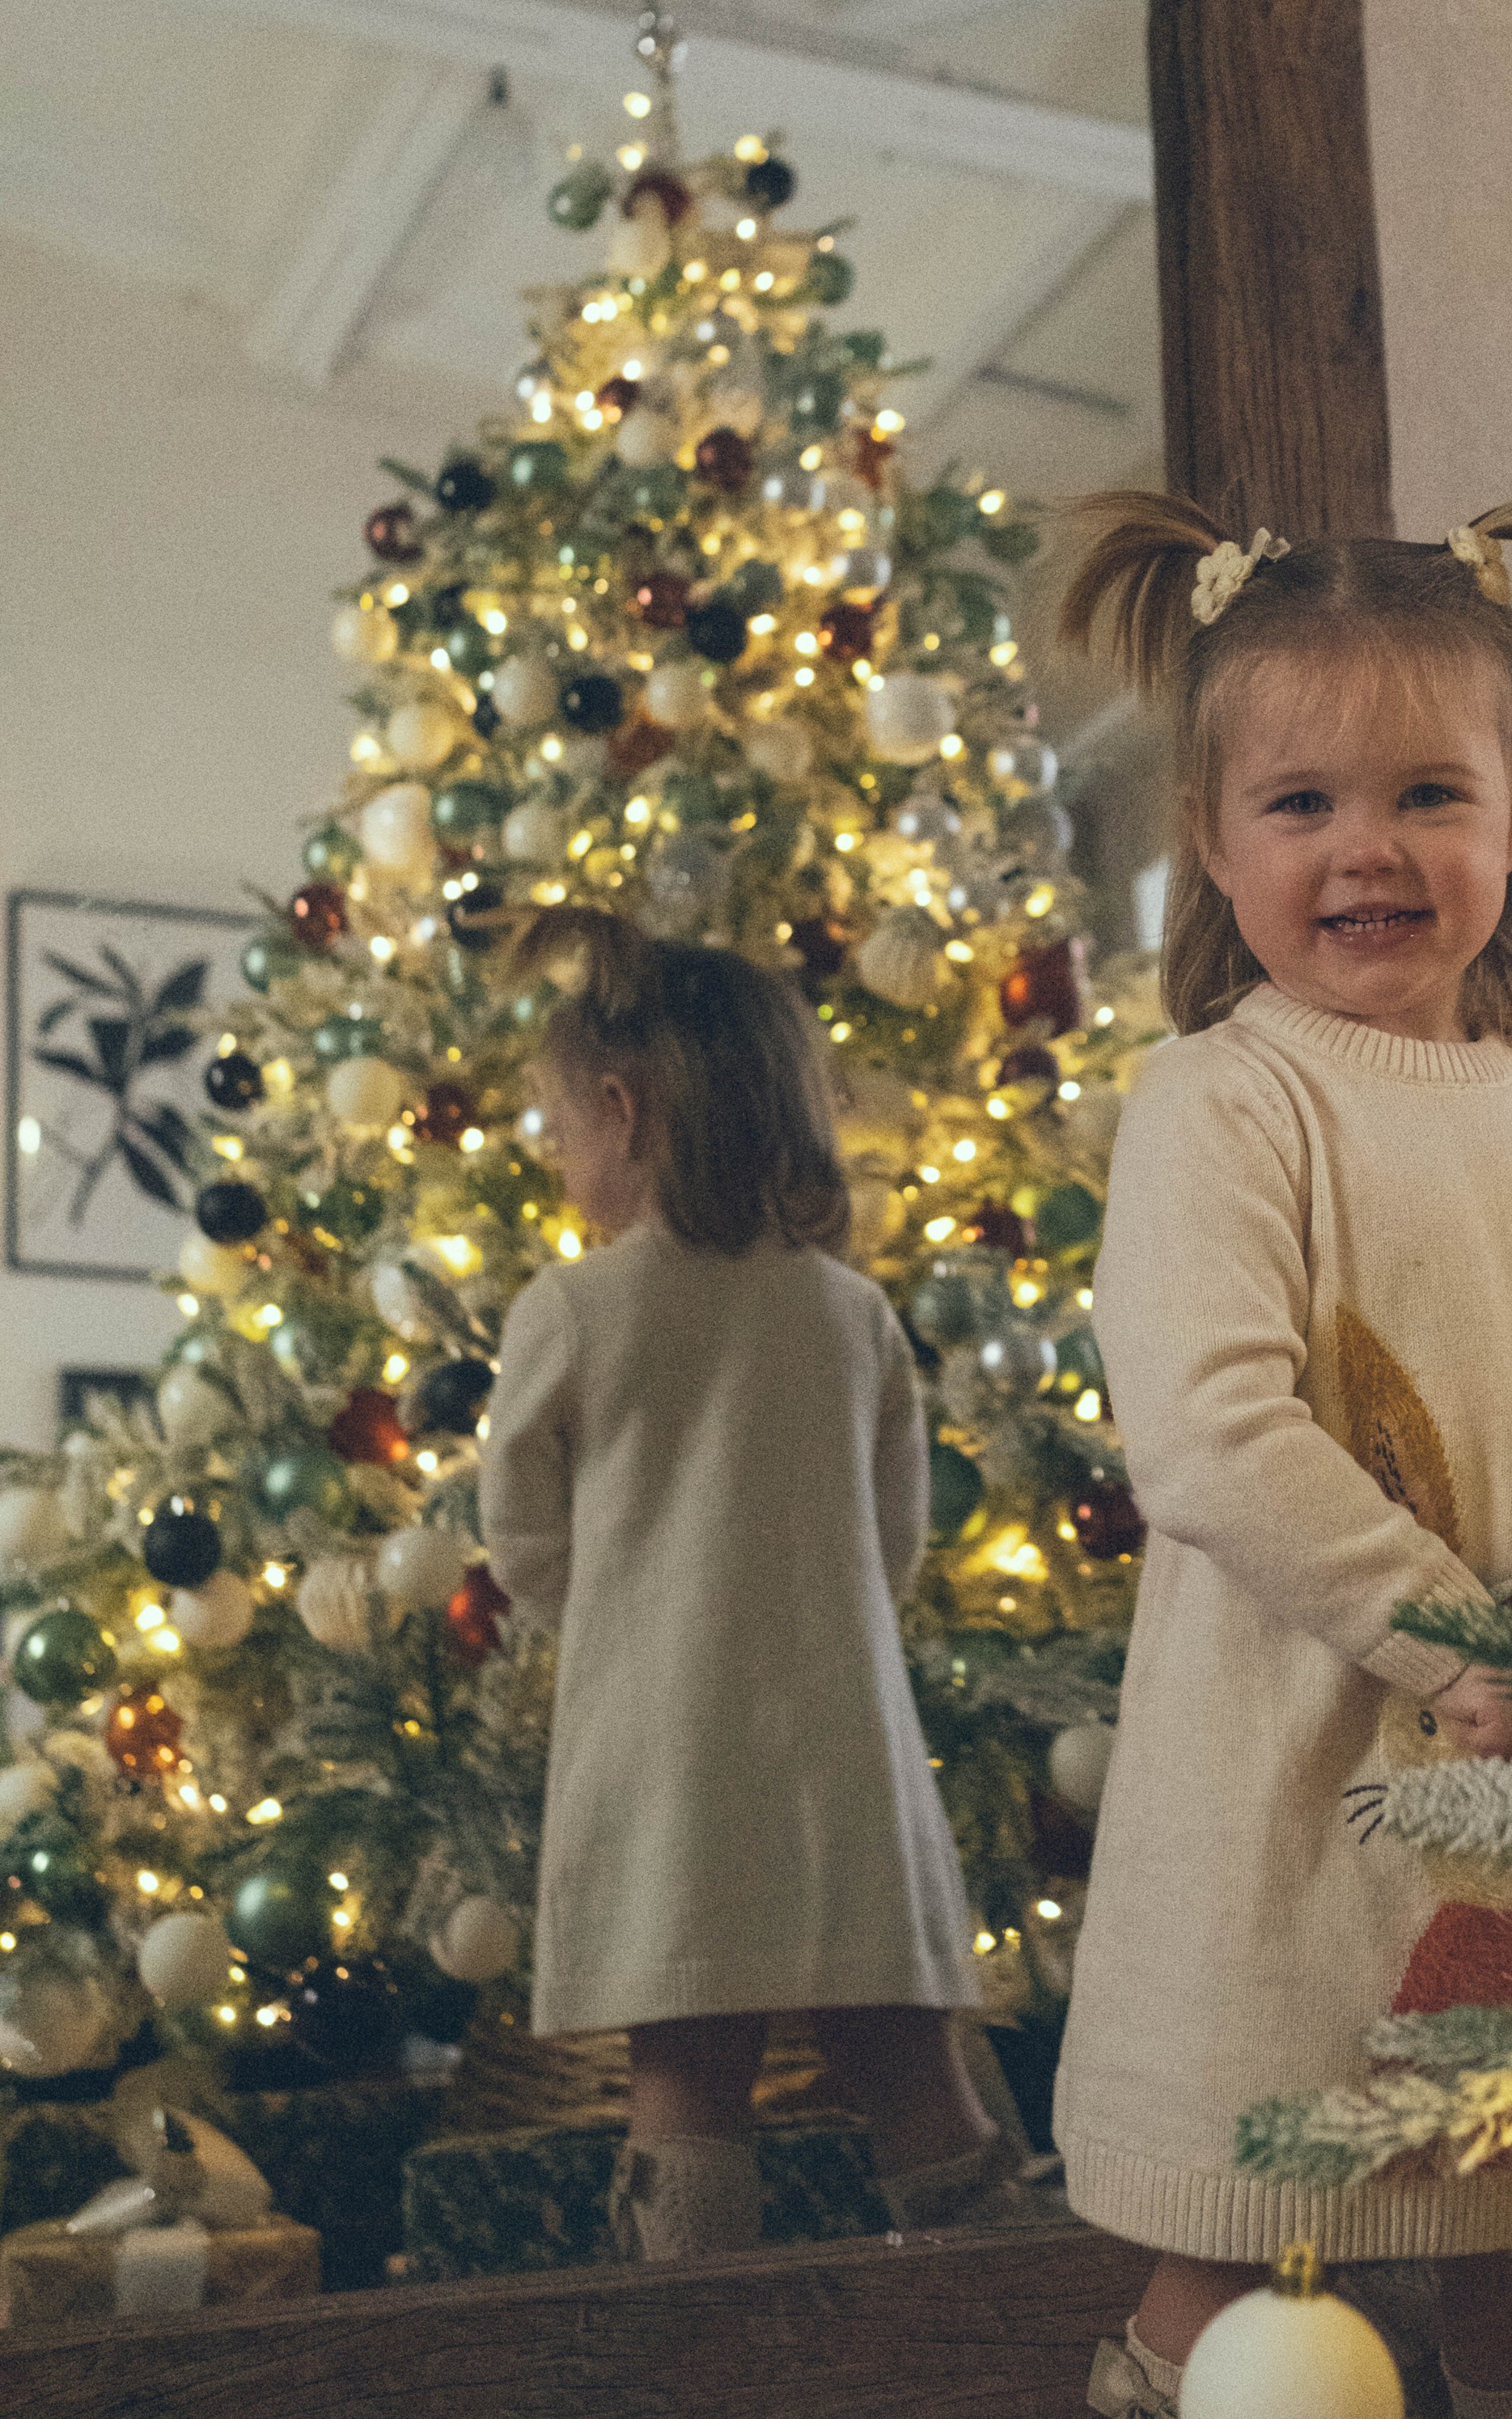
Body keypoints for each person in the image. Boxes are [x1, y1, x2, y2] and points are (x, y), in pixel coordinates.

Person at [1050, 490, 1512, 2419]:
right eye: (1301, 803)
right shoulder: (1222, 1102)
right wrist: (1451, 1636)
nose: (1366, 848)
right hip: (1282, 1796)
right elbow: (1209, 1435)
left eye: (1426, 794)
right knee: (1240, 2244)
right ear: (1212, 839)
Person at [480, 908, 1010, 2263]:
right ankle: (1001, 2324)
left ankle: (693, 2346)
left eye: (560, 1125)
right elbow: (895, 1543)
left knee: (684, 2079)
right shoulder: (851, 1313)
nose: (555, 1152)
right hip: (843, 1755)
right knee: (909, 2065)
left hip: (668, 1762)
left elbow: (522, 1537)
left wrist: (628, 1620)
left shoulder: (571, 1309)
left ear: (623, 1109)